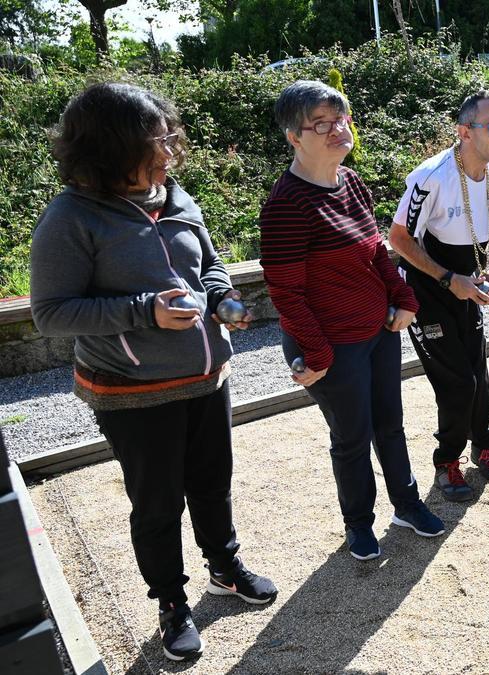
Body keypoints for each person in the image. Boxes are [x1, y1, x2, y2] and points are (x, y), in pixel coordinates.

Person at [29, 82, 277, 662]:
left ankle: (225, 569)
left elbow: (208, 265)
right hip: (132, 392)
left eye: (167, 135)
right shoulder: (69, 219)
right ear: (109, 150)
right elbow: (50, 314)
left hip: (206, 377)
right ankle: (171, 603)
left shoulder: (174, 195)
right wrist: (144, 311)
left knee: (212, 485)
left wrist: (223, 301)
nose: (169, 151)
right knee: (159, 503)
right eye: (154, 141)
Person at [259, 80, 444, 563]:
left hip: (379, 330)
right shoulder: (286, 206)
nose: (338, 129)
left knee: (391, 424)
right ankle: (358, 523)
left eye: (341, 119)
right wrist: (317, 353)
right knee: (353, 436)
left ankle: (407, 504)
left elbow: (377, 253)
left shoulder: (352, 182)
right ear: (293, 137)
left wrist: (404, 296)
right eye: (322, 123)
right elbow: (286, 294)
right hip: (332, 346)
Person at [388, 91, 489, 502]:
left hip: (466, 285)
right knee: (458, 382)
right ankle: (447, 460)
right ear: (464, 132)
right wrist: (448, 279)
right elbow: (398, 239)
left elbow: (484, 242)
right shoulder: (432, 176)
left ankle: (483, 446)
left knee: (479, 372)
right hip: (428, 289)